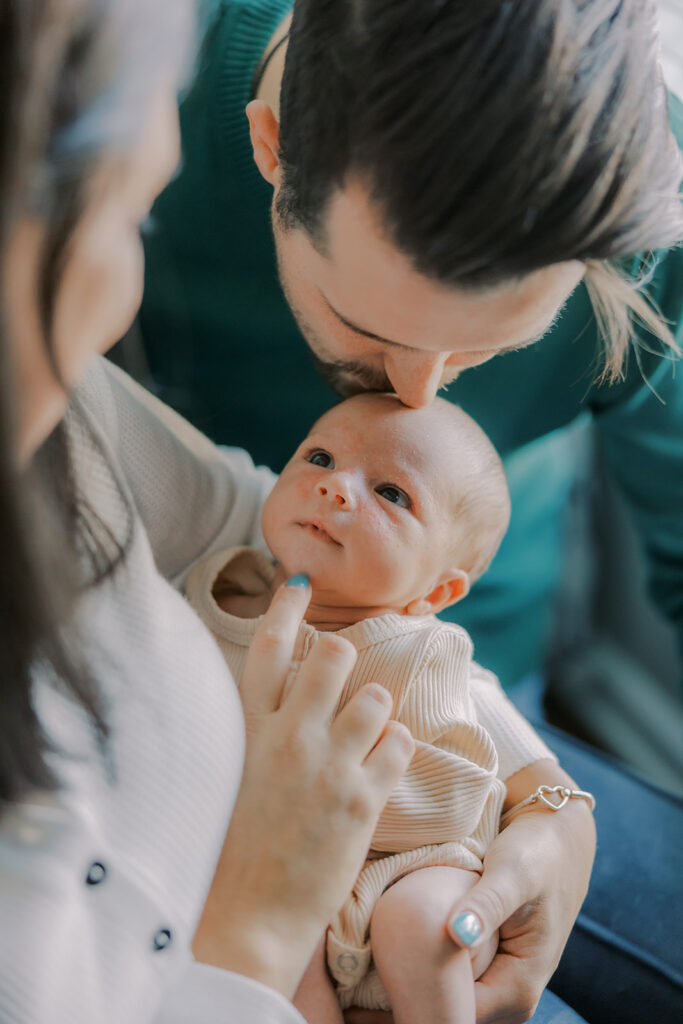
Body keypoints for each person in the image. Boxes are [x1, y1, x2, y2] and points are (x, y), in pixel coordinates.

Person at [135, 3, 683, 1021]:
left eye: (489, 349)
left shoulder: (641, 198)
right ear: (269, 147)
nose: (421, 394)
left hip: (464, 717)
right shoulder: (135, 107)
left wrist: (551, 803)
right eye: (366, 327)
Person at [0, 2, 418, 1020]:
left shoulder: (69, 426)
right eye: (128, 216)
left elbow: (260, 522)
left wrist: (543, 795)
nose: (418, 390)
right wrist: (256, 929)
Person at [186, 393, 593, 1024]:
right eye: (319, 456)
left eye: (393, 494)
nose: (335, 487)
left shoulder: (426, 653)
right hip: (273, 893)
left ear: (437, 592)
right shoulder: (208, 597)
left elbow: (485, 785)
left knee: (420, 927)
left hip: (415, 869)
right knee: (288, 968)